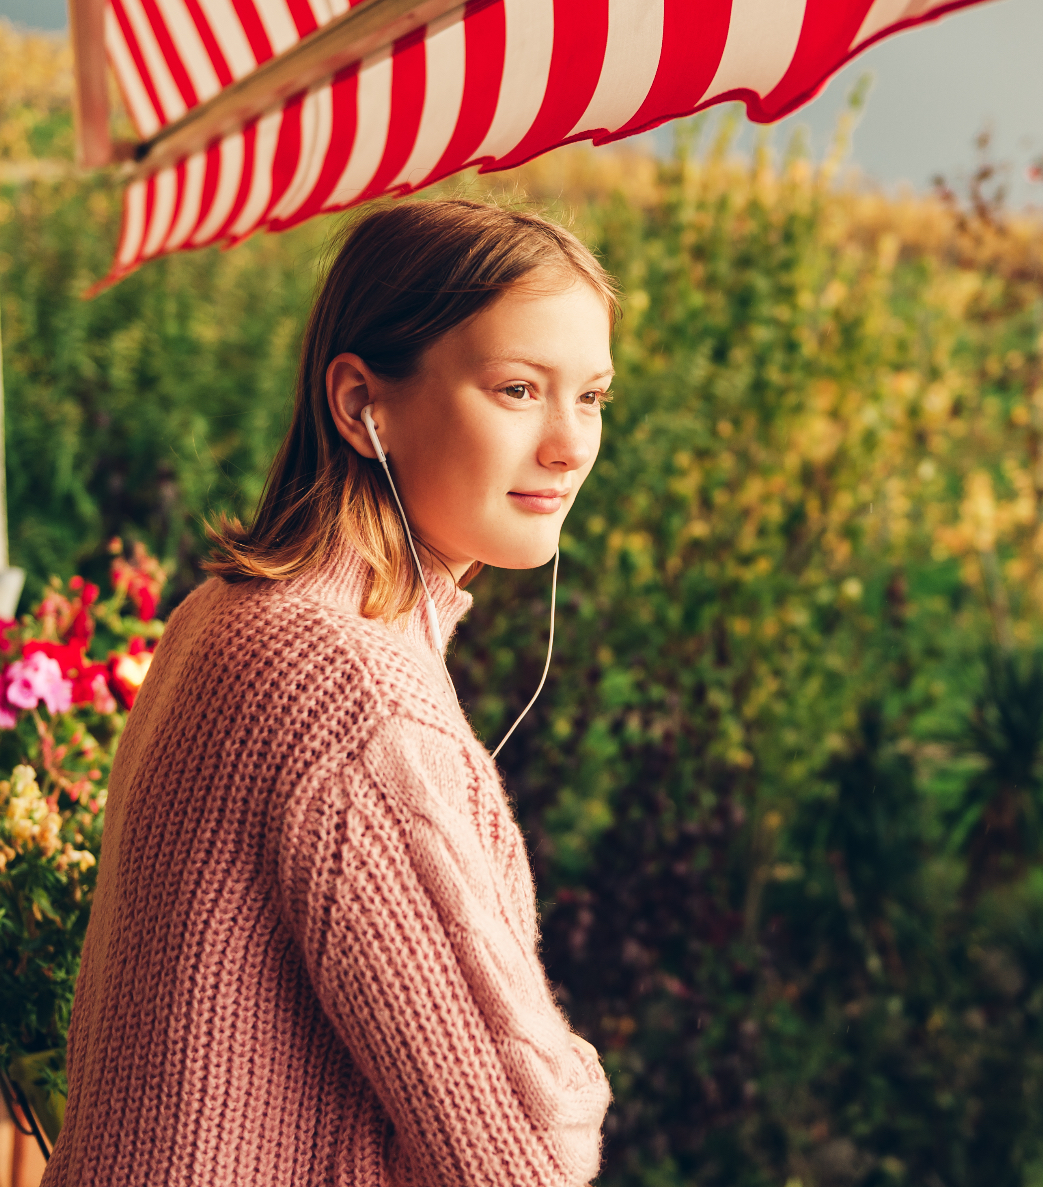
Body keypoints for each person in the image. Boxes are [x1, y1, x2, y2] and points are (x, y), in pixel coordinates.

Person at [43, 200, 617, 1187]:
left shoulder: (228, 611)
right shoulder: (357, 697)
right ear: (362, 405)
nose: (570, 444)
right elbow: (520, 1156)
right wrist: (576, 1073)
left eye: (594, 397)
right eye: (518, 388)